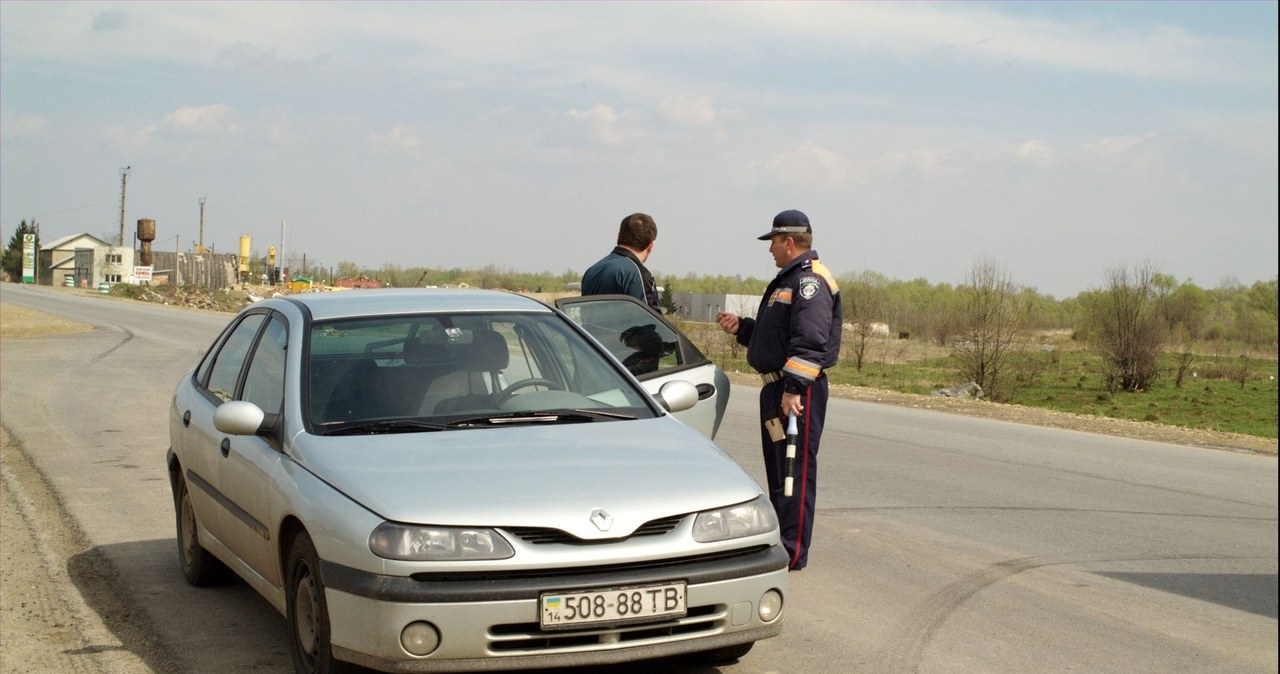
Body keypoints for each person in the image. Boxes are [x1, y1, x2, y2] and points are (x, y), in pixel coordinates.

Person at [716, 209, 841, 571]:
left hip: (795, 393)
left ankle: (792, 552)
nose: (769, 248)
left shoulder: (809, 282)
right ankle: (782, 542)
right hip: (778, 389)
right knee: (779, 471)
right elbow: (777, 339)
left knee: (794, 472)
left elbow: (810, 342)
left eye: (772, 241)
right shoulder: (787, 280)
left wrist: (793, 388)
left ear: (789, 241)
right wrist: (742, 328)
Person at [581, 213, 660, 310]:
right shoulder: (637, 274)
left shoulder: (592, 271)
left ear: (618, 237)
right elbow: (649, 321)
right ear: (651, 246)